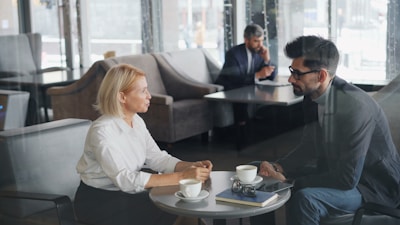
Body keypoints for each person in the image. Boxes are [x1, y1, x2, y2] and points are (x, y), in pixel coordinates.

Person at [254, 35, 400, 225]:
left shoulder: (355, 107)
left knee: (305, 199)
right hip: (335, 170)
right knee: (256, 169)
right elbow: (308, 146)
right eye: (291, 70)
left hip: (370, 186)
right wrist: (279, 167)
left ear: (321, 76)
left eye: (297, 73)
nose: (291, 78)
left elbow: (347, 179)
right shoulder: (311, 95)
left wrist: (288, 181)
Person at [73, 64, 213, 225]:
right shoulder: (102, 131)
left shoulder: (136, 121)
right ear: (122, 97)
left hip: (125, 195)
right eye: (142, 91)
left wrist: (190, 167)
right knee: (174, 208)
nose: (149, 96)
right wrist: (182, 177)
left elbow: (158, 158)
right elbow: (125, 180)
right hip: (99, 202)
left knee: (186, 205)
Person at [215, 24, 277, 141]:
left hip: (247, 86)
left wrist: (267, 60)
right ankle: (242, 138)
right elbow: (234, 78)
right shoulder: (234, 54)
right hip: (231, 87)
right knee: (242, 99)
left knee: (268, 98)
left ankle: (260, 135)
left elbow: (271, 76)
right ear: (246, 40)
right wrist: (258, 75)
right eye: (256, 41)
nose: (260, 45)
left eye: (261, 41)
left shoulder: (260, 53)